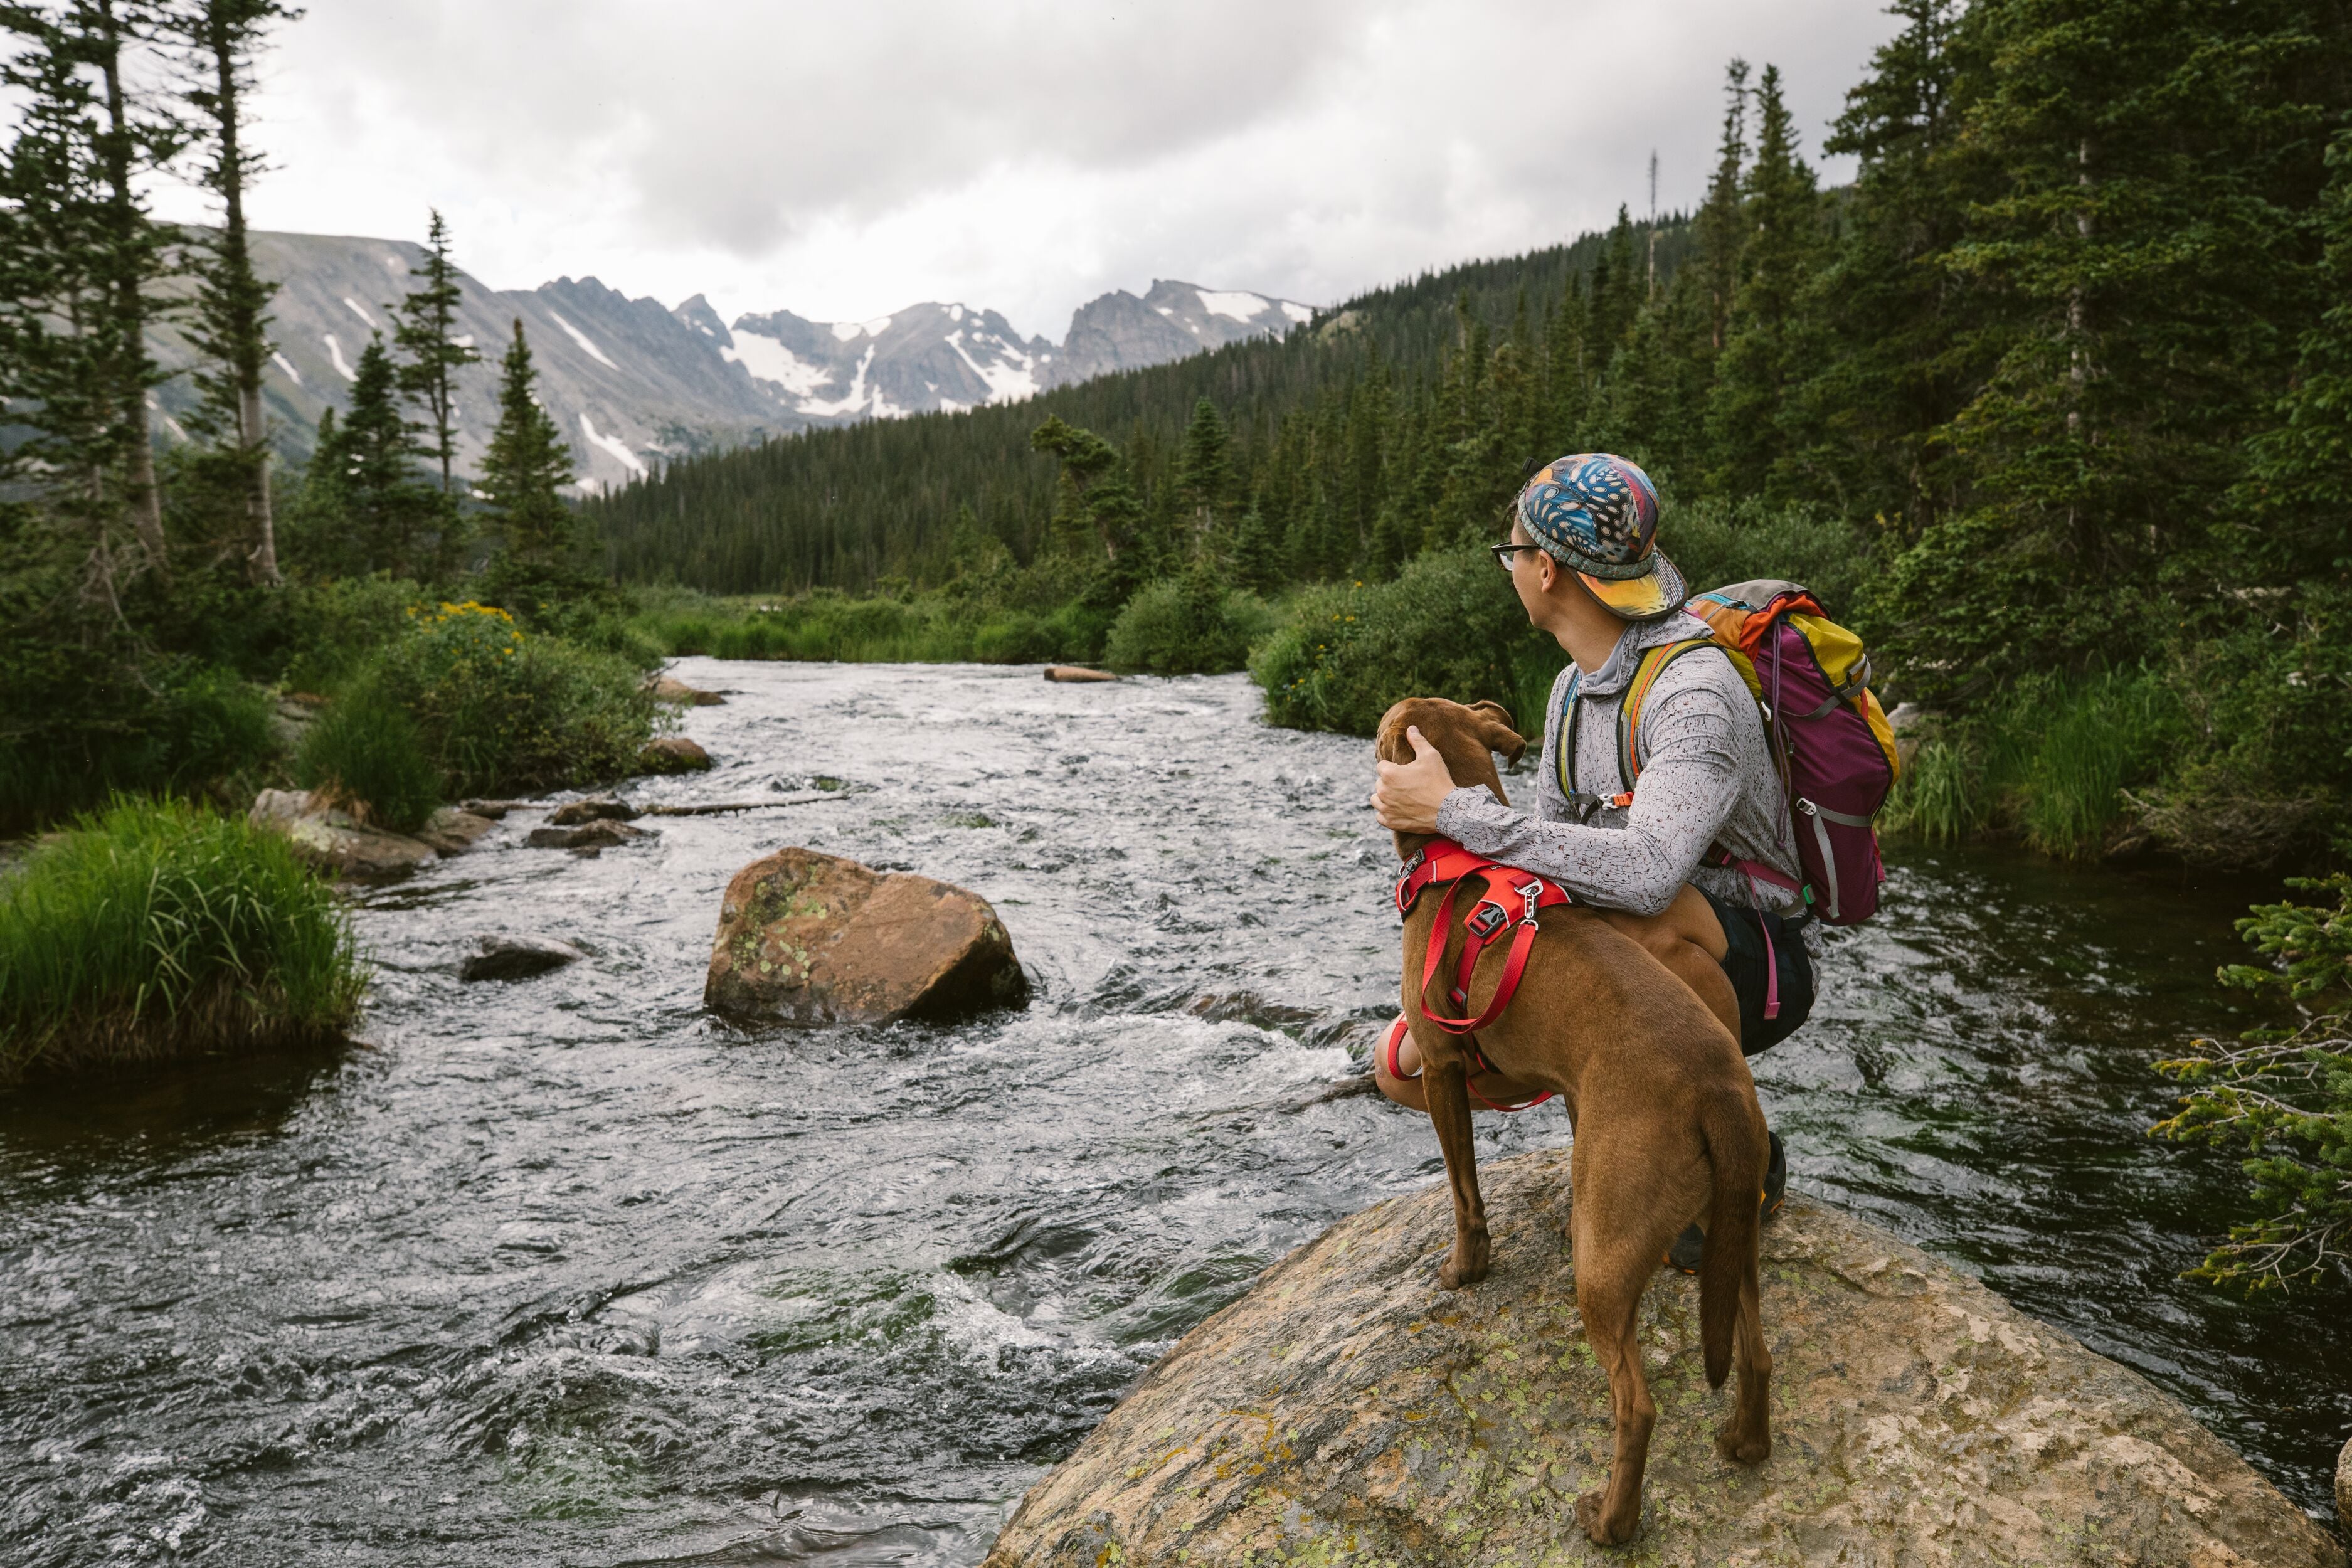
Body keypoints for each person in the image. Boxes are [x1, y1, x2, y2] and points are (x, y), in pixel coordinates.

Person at [1368, 453, 1808, 1260]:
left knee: (1640, 923)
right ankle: (1614, 1131)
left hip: (1751, 958)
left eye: (1511, 556)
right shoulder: (1572, 690)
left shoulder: (1695, 690)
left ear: (1544, 569)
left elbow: (1647, 873)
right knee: (1406, 1057)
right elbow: (1541, 865)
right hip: (1621, 933)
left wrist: (1452, 811)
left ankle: (1738, 1158)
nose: (1512, 572)